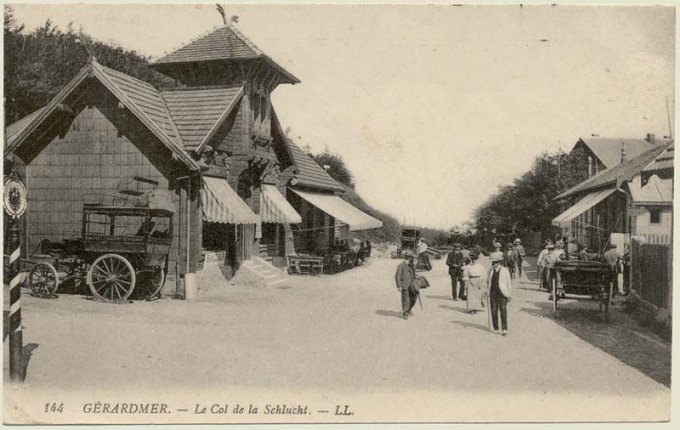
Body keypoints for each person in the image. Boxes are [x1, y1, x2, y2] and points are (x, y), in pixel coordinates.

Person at [488, 255, 512, 335]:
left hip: (502, 293)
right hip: (493, 292)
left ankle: (504, 328)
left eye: (495, 262)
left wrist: (509, 294)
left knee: (503, 309)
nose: (493, 264)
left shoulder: (505, 270)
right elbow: (488, 281)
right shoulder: (491, 270)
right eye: (492, 262)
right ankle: (496, 328)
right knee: (494, 310)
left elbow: (509, 283)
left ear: (499, 262)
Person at [395, 249, 417, 320]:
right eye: (412, 257)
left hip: (412, 285)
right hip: (405, 285)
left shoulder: (412, 265)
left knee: (414, 298)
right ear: (408, 257)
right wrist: (399, 286)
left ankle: (409, 309)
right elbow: (397, 276)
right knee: (405, 299)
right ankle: (405, 313)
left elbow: (413, 274)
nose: (413, 258)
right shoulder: (401, 265)